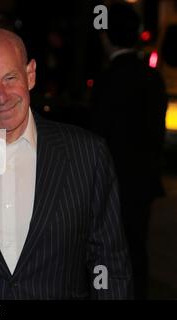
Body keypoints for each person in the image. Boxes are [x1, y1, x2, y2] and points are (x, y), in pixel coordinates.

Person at [0, 28, 133, 299]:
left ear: (30, 74)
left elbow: (109, 264)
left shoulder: (87, 154)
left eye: (10, 78)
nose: (1, 96)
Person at [91, 3, 168, 299]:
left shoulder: (108, 81)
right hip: (143, 181)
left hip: (113, 184)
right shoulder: (152, 78)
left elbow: (99, 139)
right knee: (137, 249)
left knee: (109, 253)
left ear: (107, 37)